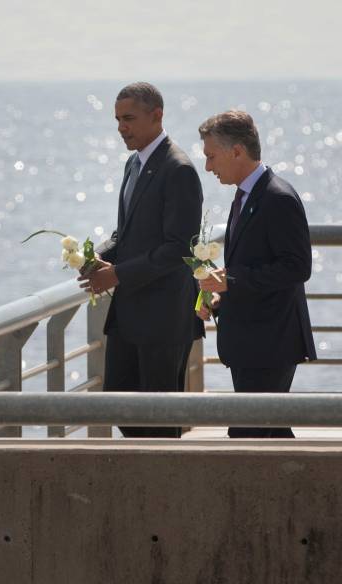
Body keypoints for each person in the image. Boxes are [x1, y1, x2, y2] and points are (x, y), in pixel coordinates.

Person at [79, 82, 204, 438]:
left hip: (163, 319)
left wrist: (116, 274)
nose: (122, 127)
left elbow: (180, 248)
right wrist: (96, 257)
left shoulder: (178, 169)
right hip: (130, 317)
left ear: (157, 115)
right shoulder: (133, 165)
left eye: (129, 118)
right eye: (118, 120)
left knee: (159, 422)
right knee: (121, 407)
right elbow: (127, 234)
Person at [196, 110, 316, 438]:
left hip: (271, 341)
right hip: (253, 341)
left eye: (211, 156)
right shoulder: (246, 195)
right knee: (263, 433)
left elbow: (297, 267)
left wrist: (230, 279)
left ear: (237, 151)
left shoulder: (277, 198)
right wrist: (219, 296)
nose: (208, 167)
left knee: (252, 434)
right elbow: (254, 265)